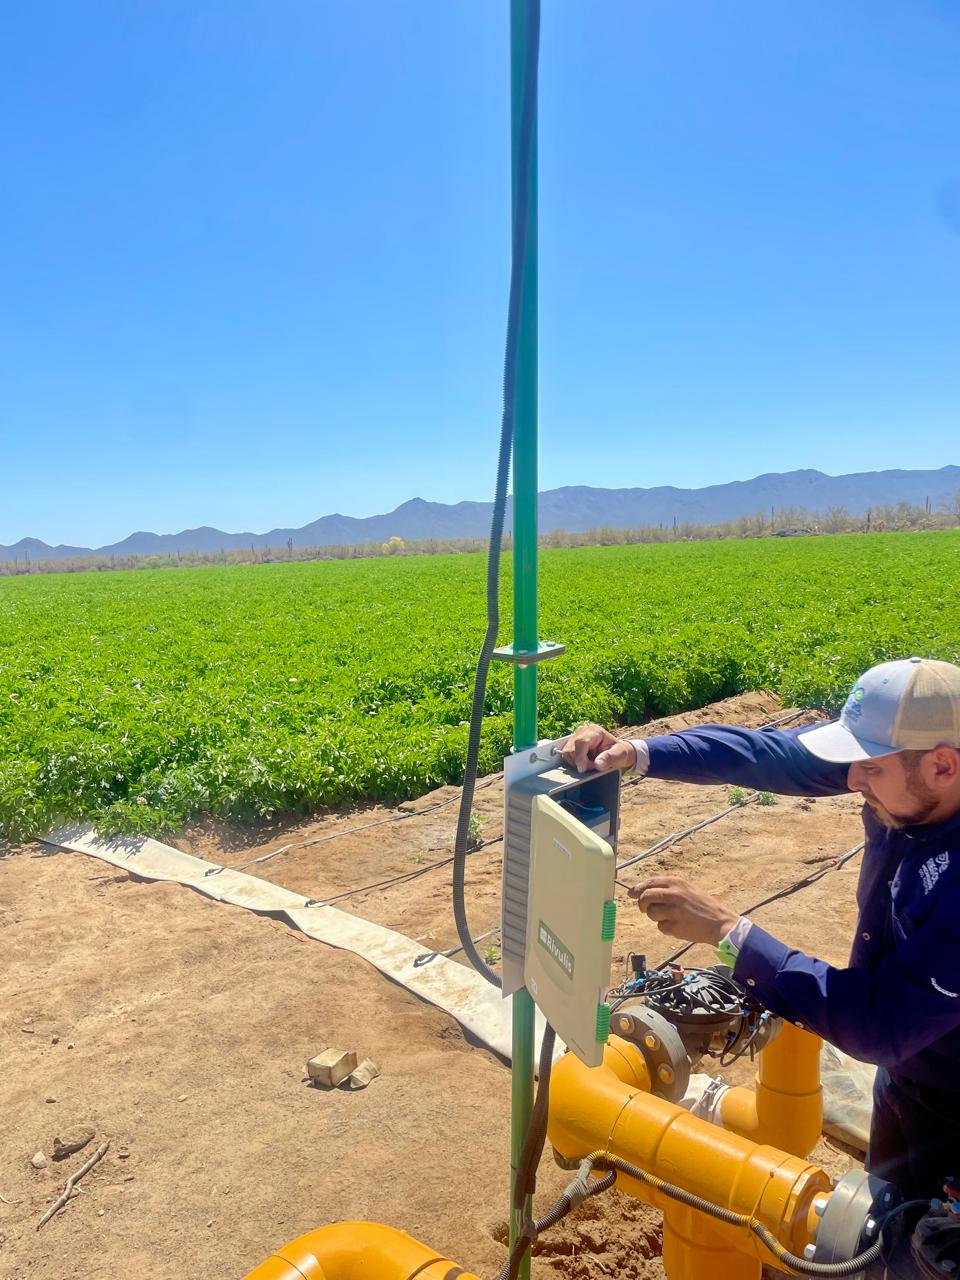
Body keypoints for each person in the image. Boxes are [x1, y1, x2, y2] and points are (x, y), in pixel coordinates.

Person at [562, 656, 960, 1201]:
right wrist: (636, 752)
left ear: (943, 766)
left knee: (924, 1237)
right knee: (886, 1207)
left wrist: (731, 933)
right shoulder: (910, 770)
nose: (851, 779)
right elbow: (766, 753)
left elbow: (880, 1022)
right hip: (911, 1077)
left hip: (950, 1104)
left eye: (869, 768)